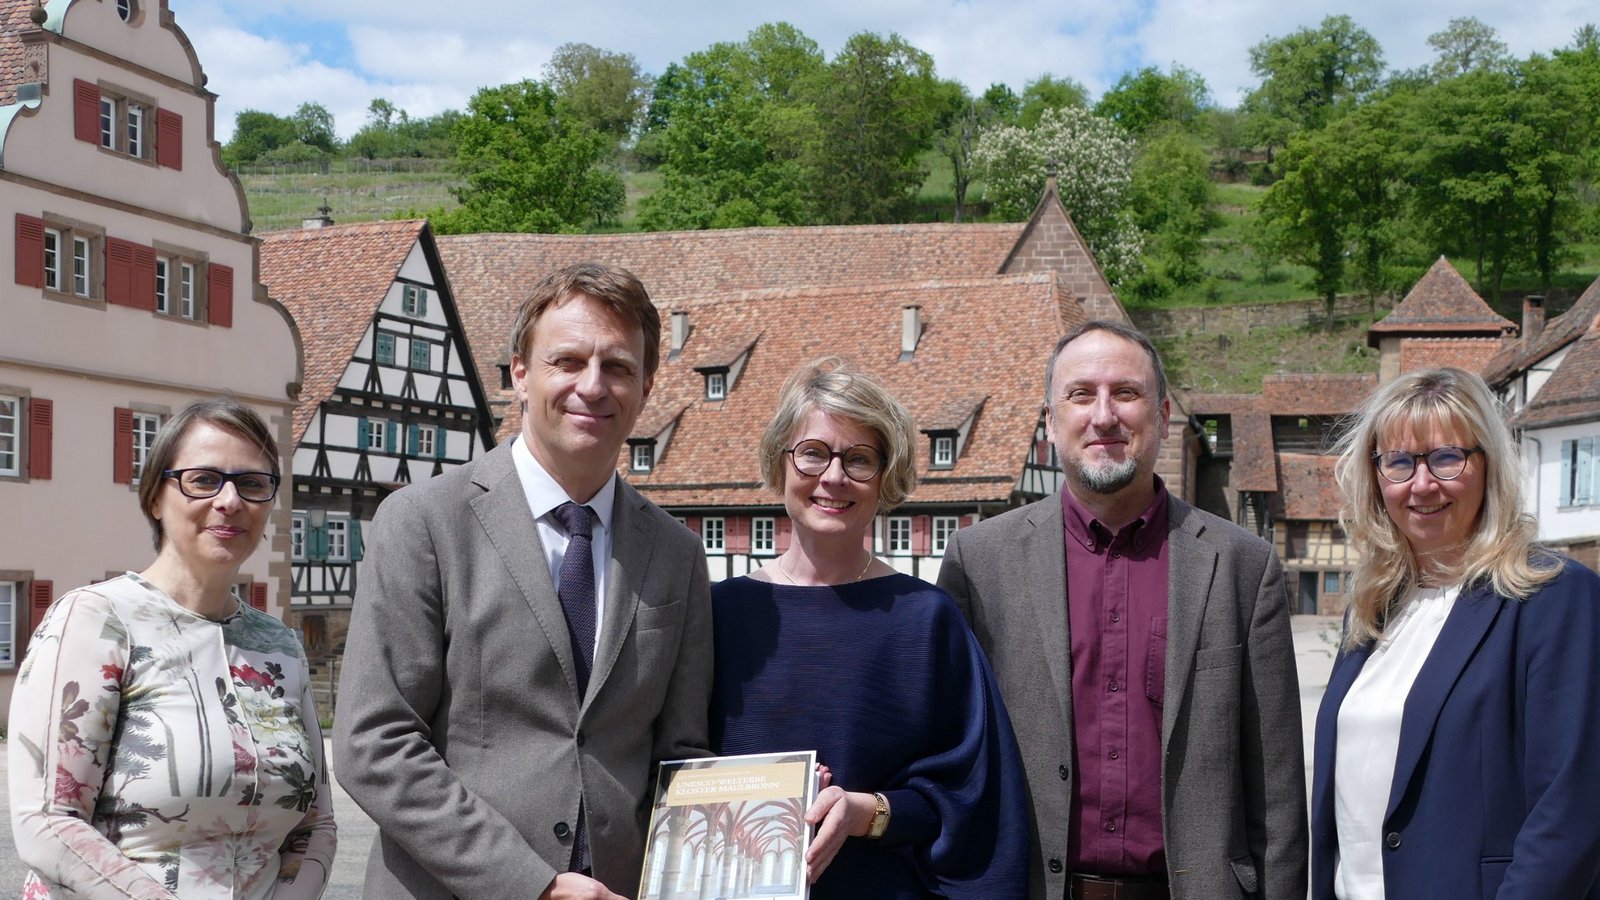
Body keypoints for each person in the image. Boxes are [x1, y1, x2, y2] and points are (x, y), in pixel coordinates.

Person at [334, 262, 713, 900]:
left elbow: (681, 754)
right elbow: (375, 743)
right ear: (519, 373)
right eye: (567, 361)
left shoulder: (676, 552)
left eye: (618, 367)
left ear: (647, 386)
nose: (592, 385)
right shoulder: (424, 522)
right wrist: (532, 885)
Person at [937, 320, 1308, 900]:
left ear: (1162, 416)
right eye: (1081, 394)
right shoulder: (979, 563)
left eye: (1126, 393)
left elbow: (1277, 790)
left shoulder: (1243, 566)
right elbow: (947, 758)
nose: (1104, 415)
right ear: (1051, 419)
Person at [710, 357, 1029, 899]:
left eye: (859, 459)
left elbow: (973, 796)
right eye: (813, 453)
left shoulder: (926, 619)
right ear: (781, 462)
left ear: (886, 477)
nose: (833, 477)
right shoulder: (719, 613)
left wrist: (869, 812)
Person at [8, 398, 337, 899]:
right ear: (155, 499)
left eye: (252, 483)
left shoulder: (280, 646)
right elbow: (48, 820)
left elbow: (315, 826)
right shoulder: (97, 620)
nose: (230, 500)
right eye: (203, 480)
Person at [1311, 367, 1600, 899]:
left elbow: (1571, 809)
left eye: (1446, 458)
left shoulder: (1553, 598)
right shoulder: (1373, 610)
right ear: (1376, 476)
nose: (1422, 484)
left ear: (1489, 464)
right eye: (1399, 462)